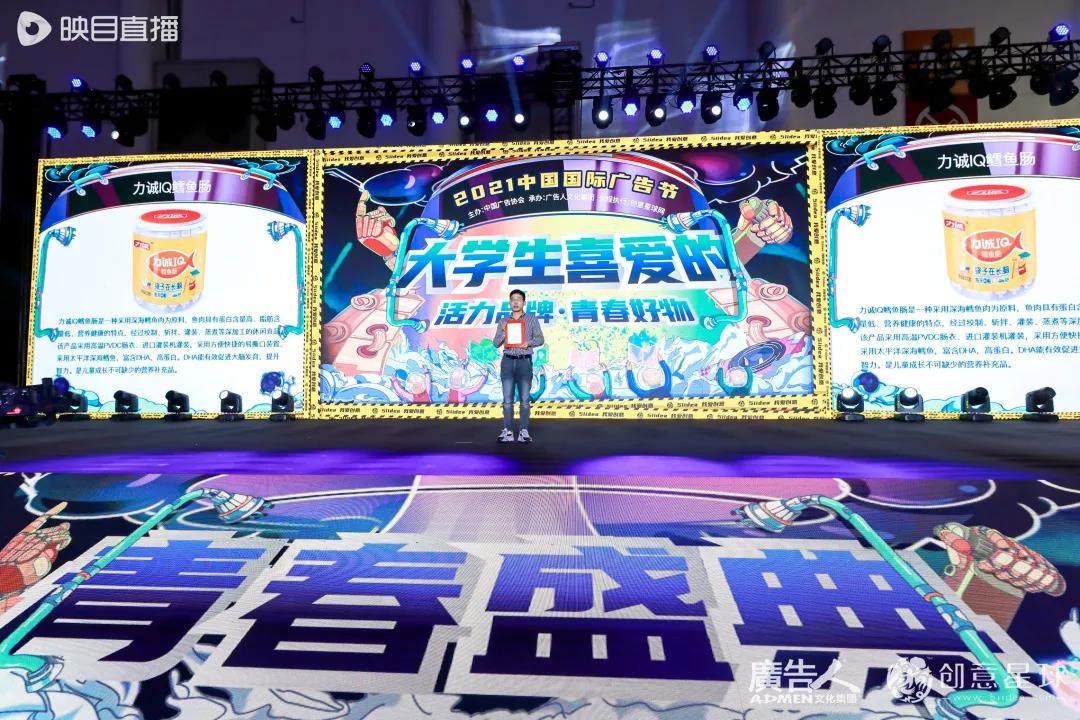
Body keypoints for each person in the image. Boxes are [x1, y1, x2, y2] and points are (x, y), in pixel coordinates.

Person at [493, 289, 545, 442]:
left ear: (524, 302)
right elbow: (495, 343)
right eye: (513, 299)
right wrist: (504, 332)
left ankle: (523, 431)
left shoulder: (531, 319)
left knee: (524, 399)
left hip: (524, 361)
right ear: (510, 302)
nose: (515, 302)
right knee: (507, 400)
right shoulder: (503, 321)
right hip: (508, 361)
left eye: (519, 299)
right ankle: (508, 431)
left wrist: (527, 343)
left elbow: (540, 339)